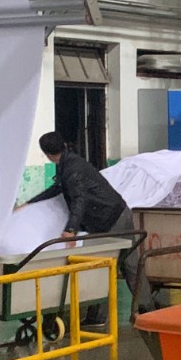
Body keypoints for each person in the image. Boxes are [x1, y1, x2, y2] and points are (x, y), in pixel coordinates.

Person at [24, 132, 145, 320]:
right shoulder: (68, 163)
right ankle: (134, 310)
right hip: (113, 213)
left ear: (46, 154)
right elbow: (58, 188)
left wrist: (70, 230)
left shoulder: (71, 169)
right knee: (113, 266)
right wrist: (29, 203)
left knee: (113, 266)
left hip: (111, 218)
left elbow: (79, 199)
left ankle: (124, 312)